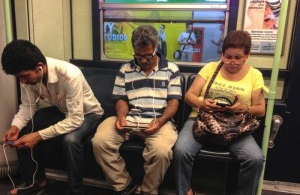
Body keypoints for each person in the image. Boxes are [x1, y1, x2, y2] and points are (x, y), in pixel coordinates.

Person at [1, 40, 104, 195]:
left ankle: (76, 190)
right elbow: (28, 106)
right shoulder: (28, 78)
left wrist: (38, 136)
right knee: (24, 130)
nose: (23, 81)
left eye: (24, 76)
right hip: (63, 110)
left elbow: (76, 119)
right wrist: (15, 126)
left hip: (88, 113)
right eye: (19, 78)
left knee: (70, 140)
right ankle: (36, 181)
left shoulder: (70, 74)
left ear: (39, 67)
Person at [92, 25, 182, 195]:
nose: (143, 60)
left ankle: (148, 191)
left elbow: (173, 103)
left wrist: (160, 121)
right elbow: (121, 99)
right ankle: (124, 186)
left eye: (148, 55)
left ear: (157, 48)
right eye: (138, 56)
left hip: (160, 121)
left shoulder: (171, 69)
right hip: (131, 118)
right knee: (100, 141)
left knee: (161, 151)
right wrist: (121, 116)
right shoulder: (125, 69)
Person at [174, 30, 266, 195]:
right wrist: (202, 103)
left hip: (236, 125)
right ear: (222, 54)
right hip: (201, 120)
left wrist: (241, 108)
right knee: (181, 151)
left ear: (247, 55)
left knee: (255, 158)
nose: (232, 62)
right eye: (228, 57)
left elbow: (260, 109)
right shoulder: (210, 68)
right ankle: (185, 191)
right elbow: (189, 95)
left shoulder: (255, 75)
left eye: (238, 57)